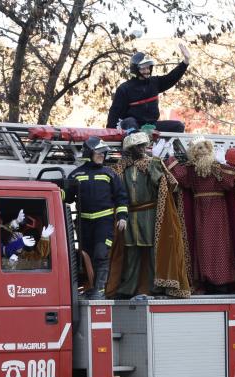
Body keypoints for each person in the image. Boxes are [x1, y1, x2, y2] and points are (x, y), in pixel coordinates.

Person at [171, 138, 235, 294]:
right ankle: (208, 280)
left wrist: (223, 164)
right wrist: (172, 158)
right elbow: (181, 178)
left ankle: (222, 281)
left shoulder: (216, 169)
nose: (202, 151)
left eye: (204, 148)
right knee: (204, 245)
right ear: (194, 153)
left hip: (218, 213)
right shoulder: (192, 170)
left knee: (220, 244)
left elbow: (230, 182)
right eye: (199, 149)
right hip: (200, 212)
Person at [105, 130, 190, 298]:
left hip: (150, 214)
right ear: (131, 148)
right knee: (131, 252)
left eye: (144, 145)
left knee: (152, 251)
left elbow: (171, 185)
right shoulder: (121, 167)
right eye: (138, 146)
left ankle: (155, 286)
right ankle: (127, 288)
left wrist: (153, 167)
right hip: (130, 215)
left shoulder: (154, 163)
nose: (142, 149)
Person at [68, 136, 129, 299]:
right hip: (84, 223)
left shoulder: (109, 173)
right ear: (89, 153)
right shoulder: (76, 174)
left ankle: (100, 290)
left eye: (104, 153)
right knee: (86, 255)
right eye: (99, 152)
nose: (102, 155)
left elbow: (121, 197)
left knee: (101, 253)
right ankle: (91, 287)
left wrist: (122, 216)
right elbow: (66, 198)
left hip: (104, 222)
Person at [106, 44, 192, 133]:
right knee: (129, 121)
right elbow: (114, 114)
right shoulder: (124, 88)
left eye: (148, 68)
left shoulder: (155, 82)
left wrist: (186, 61)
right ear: (135, 69)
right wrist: (109, 133)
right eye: (143, 69)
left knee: (178, 126)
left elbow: (171, 78)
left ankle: (167, 146)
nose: (147, 71)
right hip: (133, 127)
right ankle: (137, 145)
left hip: (151, 126)